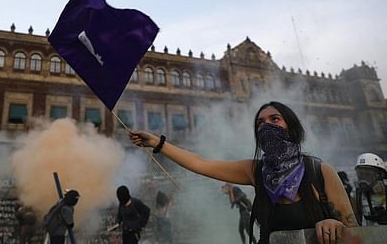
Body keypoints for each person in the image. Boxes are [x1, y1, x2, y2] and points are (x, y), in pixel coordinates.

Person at [130, 101, 358, 244]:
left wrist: (336, 226)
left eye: (274, 119)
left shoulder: (321, 172)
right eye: (260, 123)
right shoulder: (255, 170)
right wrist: (157, 143)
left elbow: (355, 234)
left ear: (292, 126)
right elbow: (201, 164)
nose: (266, 125)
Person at [354, 152, 387, 225]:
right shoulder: (357, 196)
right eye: (360, 175)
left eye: (368, 174)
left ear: (380, 175)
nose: (363, 179)